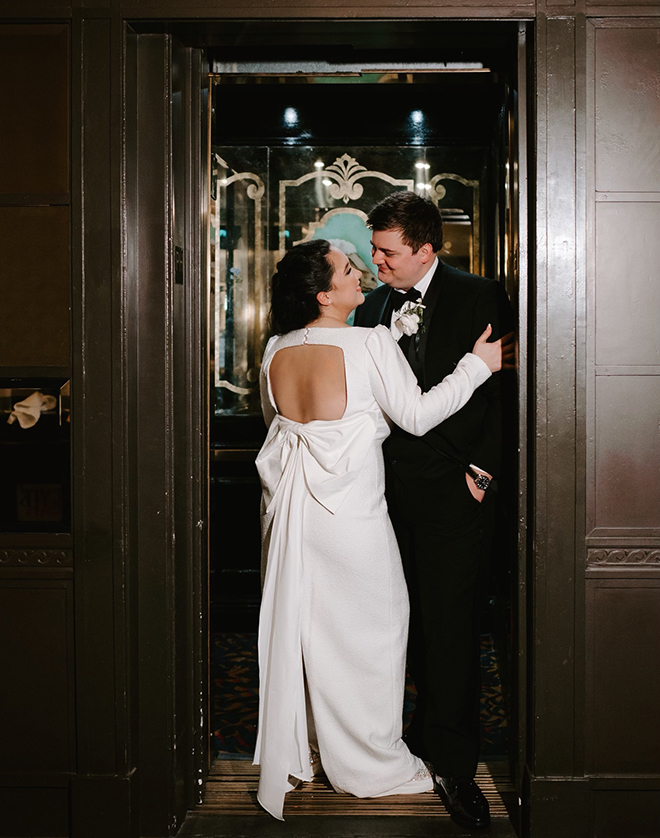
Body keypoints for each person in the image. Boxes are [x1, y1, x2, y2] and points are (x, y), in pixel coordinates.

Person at [253, 238, 510, 821]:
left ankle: (317, 749)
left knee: (313, 636)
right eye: (347, 270)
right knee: (377, 636)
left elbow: (281, 428)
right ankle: (368, 760)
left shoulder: (275, 349)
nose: (361, 273)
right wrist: (477, 366)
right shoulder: (368, 341)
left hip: (296, 522)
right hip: (354, 522)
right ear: (325, 293)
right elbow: (416, 416)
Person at [354, 191, 516, 830]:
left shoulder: (481, 297)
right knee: (401, 623)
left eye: (388, 251)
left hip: (456, 488)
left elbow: (506, 397)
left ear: (426, 248)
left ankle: (452, 761)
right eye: (373, 249)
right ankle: (403, 744)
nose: (376, 261)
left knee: (450, 627)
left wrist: (486, 471)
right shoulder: (369, 307)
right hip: (381, 494)